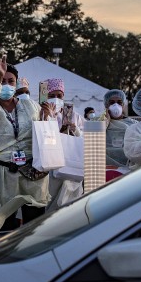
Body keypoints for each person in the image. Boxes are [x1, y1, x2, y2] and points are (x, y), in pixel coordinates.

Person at [0, 53, 48, 231]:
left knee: (35, 222)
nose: (6, 85)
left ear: (17, 84)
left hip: (32, 172)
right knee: (5, 223)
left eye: (11, 81)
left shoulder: (30, 106)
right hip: (4, 173)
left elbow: (42, 134)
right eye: (2, 81)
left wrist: (47, 118)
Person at [40, 78, 84, 212]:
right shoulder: (41, 113)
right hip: (50, 169)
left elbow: (85, 138)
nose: (56, 99)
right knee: (50, 205)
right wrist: (46, 119)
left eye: (59, 95)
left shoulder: (72, 115)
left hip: (71, 167)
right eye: (52, 96)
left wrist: (75, 130)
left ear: (64, 96)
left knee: (69, 206)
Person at [102, 89, 136, 171]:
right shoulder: (98, 122)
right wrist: (104, 123)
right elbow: (90, 142)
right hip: (104, 169)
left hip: (127, 170)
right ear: (106, 105)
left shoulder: (134, 124)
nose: (116, 105)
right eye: (112, 102)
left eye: (119, 102)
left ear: (123, 105)